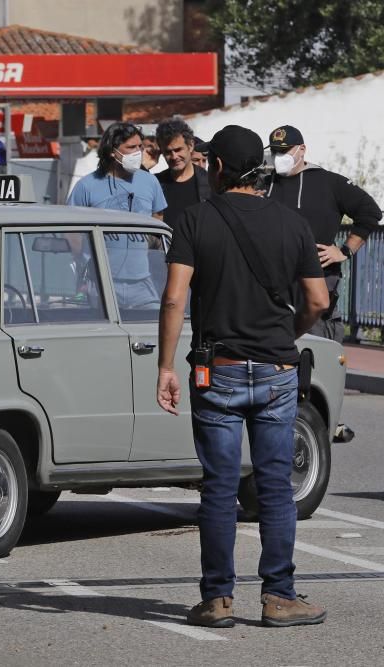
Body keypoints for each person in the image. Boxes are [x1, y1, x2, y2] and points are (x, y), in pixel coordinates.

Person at [156, 125, 330, 629]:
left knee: (218, 485)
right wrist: (287, 337)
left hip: (220, 369)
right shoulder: (292, 223)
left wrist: (166, 366)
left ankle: (216, 600)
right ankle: (278, 596)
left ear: (217, 167)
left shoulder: (193, 219)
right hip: (277, 369)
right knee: (275, 486)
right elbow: (317, 301)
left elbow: (174, 298)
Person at [265, 124, 382, 342]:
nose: (279, 156)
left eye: (285, 150)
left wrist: (345, 250)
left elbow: (370, 212)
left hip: (314, 286)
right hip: (272, 288)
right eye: (275, 151)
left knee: (314, 352)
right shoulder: (264, 183)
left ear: (302, 149)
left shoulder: (328, 182)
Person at [68, 122, 167, 308]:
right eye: (131, 148)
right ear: (113, 151)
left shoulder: (150, 182)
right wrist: (83, 263)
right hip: (100, 283)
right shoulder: (87, 186)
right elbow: (71, 230)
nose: (138, 152)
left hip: (142, 282)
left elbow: (158, 217)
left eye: (140, 146)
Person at [155, 119, 211, 226]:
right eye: (168, 152)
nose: (174, 157)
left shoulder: (210, 183)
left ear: (190, 146)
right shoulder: (155, 183)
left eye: (178, 150)